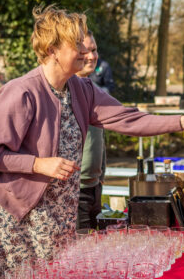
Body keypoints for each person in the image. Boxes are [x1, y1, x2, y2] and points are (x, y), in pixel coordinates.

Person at [0, 5, 184, 278]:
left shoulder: (81, 89)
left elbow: (129, 119)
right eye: (78, 46)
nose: (89, 54)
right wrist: (38, 164)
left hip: (51, 219)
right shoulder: (21, 92)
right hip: (4, 216)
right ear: (52, 49)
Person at [74, 30, 107, 230]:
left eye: (94, 50)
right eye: (85, 51)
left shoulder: (93, 90)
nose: (92, 56)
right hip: (75, 192)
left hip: (94, 188)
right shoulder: (63, 93)